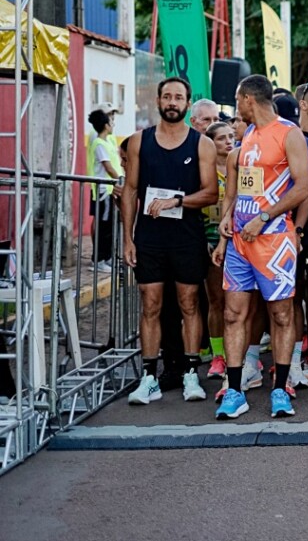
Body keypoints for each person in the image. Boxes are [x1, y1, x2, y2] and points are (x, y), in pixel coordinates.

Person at [212, 75, 308, 419]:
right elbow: (243, 189)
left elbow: (303, 189)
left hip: (274, 241)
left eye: (238, 101)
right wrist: (227, 223)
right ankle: (235, 390)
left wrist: (265, 216)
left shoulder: (289, 133)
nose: (236, 108)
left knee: (281, 315)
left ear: (248, 99)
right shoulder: (249, 135)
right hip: (241, 240)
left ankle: (281, 389)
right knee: (232, 313)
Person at [122, 77, 218, 405]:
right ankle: (149, 376)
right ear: (159, 101)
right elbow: (130, 190)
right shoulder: (139, 141)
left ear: (188, 103)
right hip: (149, 238)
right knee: (150, 305)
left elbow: (210, 193)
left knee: (189, 303)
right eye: (167, 97)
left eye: (178, 97)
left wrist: (175, 201)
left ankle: (191, 372)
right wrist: (127, 238)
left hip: (186, 236)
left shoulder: (201, 144)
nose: (172, 102)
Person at [204, 122, 234, 381]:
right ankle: (218, 355)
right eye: (222, 138)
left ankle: (241, 354)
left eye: (231, 137)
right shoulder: (204, 172)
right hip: (212, 240)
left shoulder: (241, 166)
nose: (228, 141)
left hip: (239, 241)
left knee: (238, 304)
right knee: (217, 301)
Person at [87, 107, 123, 272]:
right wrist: (120, 180)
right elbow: (108, 167)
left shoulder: (108, 142)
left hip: (111, 191)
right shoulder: (99, 143)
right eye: (111, 122)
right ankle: (99, 260)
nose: (113, 124)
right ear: (106, 126)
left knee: (110, 226)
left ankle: (108, 258)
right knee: (104, 226)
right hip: (104, 191)